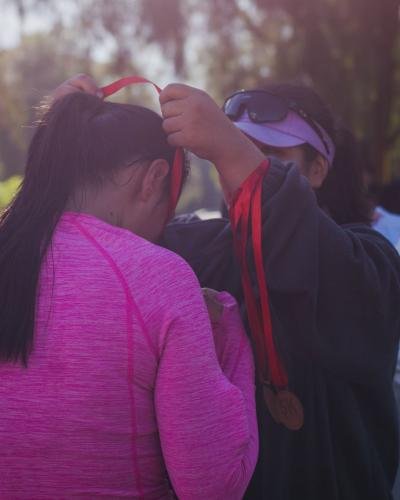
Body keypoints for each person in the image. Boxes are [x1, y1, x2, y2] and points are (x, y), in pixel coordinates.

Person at [54, 75, 400, 500]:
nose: (244, 163)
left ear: (318, 167)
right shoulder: (191, 252)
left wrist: (235, 151)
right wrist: (69, 143)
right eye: (238, 148)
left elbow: (320, 260)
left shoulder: (372, 260)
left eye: (273, 153)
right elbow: (98, 238)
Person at [0, 90, 258, 499]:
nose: (163, 230)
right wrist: (230, 333)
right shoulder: (157, 276)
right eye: (167, 210)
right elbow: (212, 485)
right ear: (153, 178)